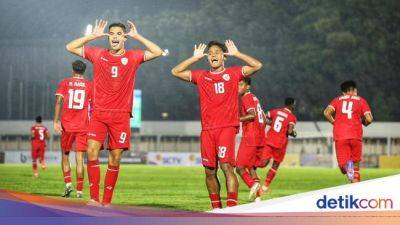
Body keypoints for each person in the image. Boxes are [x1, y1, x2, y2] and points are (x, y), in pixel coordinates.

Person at [66, 19, 163, 206]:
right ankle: (94, 199)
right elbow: (70, 46)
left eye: (119, 34)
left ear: (124, 38)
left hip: (121, 115)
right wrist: (92, 36)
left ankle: (106, 201)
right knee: (91, 151)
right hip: (99, 113)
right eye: (112, 34)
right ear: (108, 37)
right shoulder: (97, 54)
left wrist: (138, 36)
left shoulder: (133, 57)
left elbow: (157, 52)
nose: (115, 37)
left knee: (115, 157)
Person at [171, 40, 262, 209]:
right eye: (210, 53)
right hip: (207, 130)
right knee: (209, 171)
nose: (213, 55)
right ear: (207, 57)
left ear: (224, 57)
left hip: (226, 128)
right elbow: (175, 71)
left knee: (227, 167)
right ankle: (216, 209)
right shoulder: (201, 76)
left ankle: (231, 209)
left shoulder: (234, 73)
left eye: (217, 52)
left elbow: (257, 65)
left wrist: (237, 54)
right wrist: (194, 58)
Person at [54, 60, 92, 198]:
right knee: (80, 158)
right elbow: (93, 106)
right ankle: (80, 191)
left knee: (65, 155)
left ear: (72, 70)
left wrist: (56, 120)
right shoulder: (89, 85)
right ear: (84, 71)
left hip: (67, 125)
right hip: (83, 126)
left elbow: (59, 101)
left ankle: (68, 185)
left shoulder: (65, 82)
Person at [323, 80, 373, 183]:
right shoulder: (361, 100)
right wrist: (363, 122)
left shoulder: (337, 100)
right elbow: (369, 119)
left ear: (343, 92)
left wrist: (335, 123)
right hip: (356, 136)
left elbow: (326, 113)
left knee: (344, 167)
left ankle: (348, 169)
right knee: (356, 168)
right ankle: (355, 190)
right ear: (354, 89)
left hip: (341, 136)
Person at [236, 77, 267, 201]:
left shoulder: (246, 98)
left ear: (248, 86)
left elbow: (252, 115)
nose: (239, 87)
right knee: (252, 168)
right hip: (260, 137)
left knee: (239, 167)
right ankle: (258, 198)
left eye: (241, 84)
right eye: (237, 84)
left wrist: (236, 119)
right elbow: (264, 119)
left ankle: (252, 185)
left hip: (250, 137)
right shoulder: (255, 98)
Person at [259, 98, 297, 196]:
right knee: (275, 165)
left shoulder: (276, 111)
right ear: (292, 105)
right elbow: (289, 131)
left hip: (270, 139)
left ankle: (249, 167)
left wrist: (269, 123)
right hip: (280, 144)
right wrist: (294, 133)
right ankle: (265, 187)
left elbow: (264, 117)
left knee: (263, 163)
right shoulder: (292, 117)